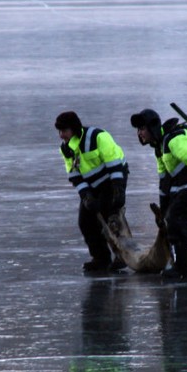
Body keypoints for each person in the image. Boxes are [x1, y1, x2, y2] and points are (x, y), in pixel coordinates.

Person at [130, 108, 187, 280]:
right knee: (172, 219)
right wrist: (162, 212)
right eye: (138, 129)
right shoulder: (159, 147)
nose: (139, 133)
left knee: (176, 219)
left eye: (142, 128)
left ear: (152, 128)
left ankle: (183, 269)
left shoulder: (174, 141)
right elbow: (165, 181)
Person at [55, 111, 129, 272]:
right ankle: (101, 258)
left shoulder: (98, 137)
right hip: (92, 185)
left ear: (74, 129)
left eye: (64, 131)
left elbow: (114, 162)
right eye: (59, 131)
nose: (61, 135)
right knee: (85, 222)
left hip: (112, 180)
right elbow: (74, 175)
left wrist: (118, 189)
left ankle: (122, 255)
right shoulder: (66, 149)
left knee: (111, 217)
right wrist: (86, 196)